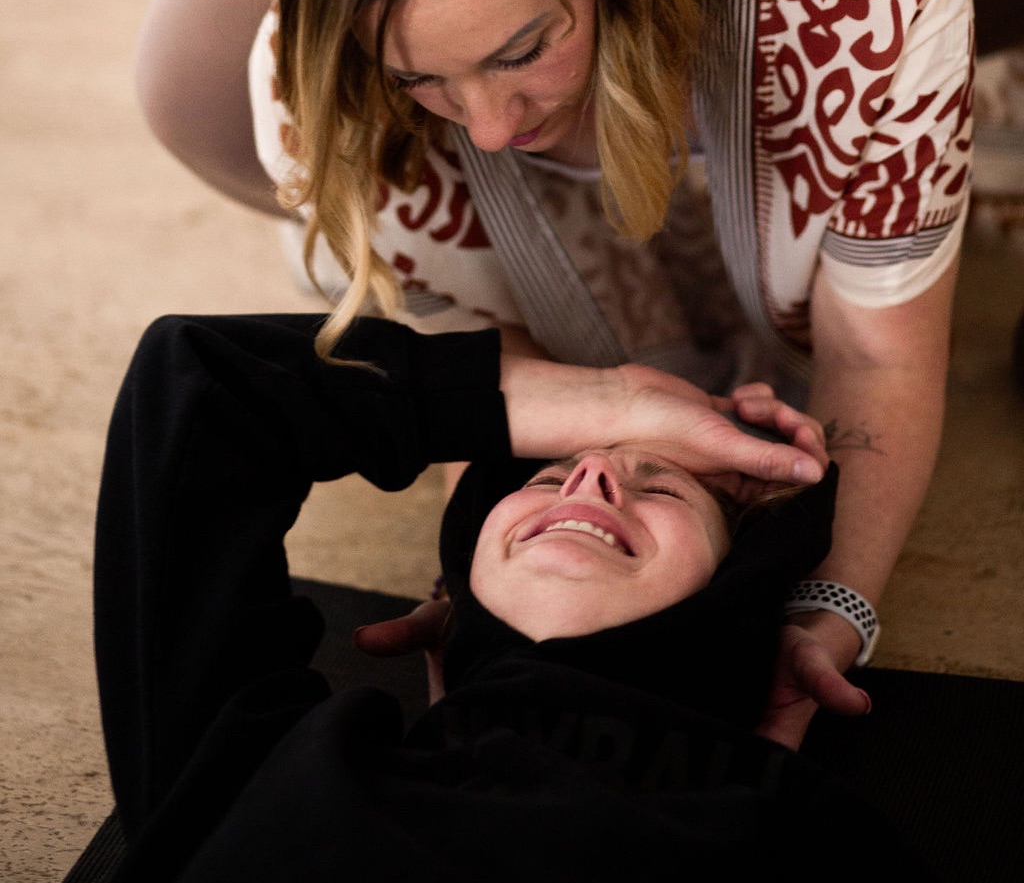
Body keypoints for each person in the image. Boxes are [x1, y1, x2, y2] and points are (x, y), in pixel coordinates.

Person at [132, 0, 1024, 743]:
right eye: (422, 77)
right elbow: (477, 355)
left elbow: (874, 354)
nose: (487, 127)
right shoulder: (329, 63)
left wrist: (835, 601)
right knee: (189, 58)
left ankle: (962, 103)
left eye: (520, 52)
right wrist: (476, 566)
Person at [93, 313, 931, 882]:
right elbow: (200, 379)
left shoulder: (800, 830)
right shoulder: (265, 764)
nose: (590, 473)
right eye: (545, 476)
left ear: (735, 593)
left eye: (663, 489)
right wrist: (605, 398)